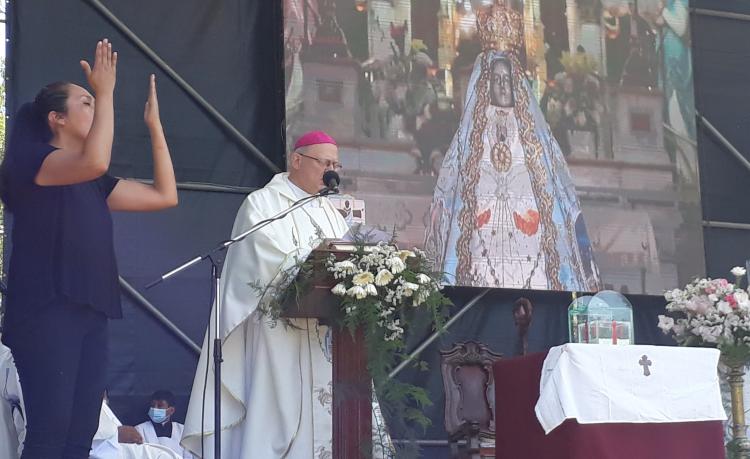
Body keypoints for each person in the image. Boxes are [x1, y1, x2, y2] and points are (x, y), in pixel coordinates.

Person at [0, 39, 178, 459]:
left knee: (82, 435)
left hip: (90, 312)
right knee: (49, 432)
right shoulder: (31, 162)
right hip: (47, 310)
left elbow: (165, 195)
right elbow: (96, 159)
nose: (96, 108)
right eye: (86, 103)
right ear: (57, 118)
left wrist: (154, 127)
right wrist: (105, 91)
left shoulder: (94, 184)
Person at [181, 131, 350, 458]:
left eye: (335, 164)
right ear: (297, 160)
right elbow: (260, 260)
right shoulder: (262, 203)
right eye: (324, 163)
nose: (331, 171)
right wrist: (303, 267)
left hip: (324, 334)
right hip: (279, 332)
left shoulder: (330, 212)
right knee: (279, 414)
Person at [424, 1, 601, 291]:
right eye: (496, 79)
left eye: (507, 79)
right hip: (481, 247)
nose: (503, 86)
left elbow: (554, 199)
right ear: (485, 83)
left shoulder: (535, 138)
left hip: (532, 249)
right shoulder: (472, 137)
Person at [134, 391, 193, 459]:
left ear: (171, 410)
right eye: (153, 406)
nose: (155, 409)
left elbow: (189, 456)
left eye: (160, 406)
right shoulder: (139, 430)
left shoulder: (183, 430)